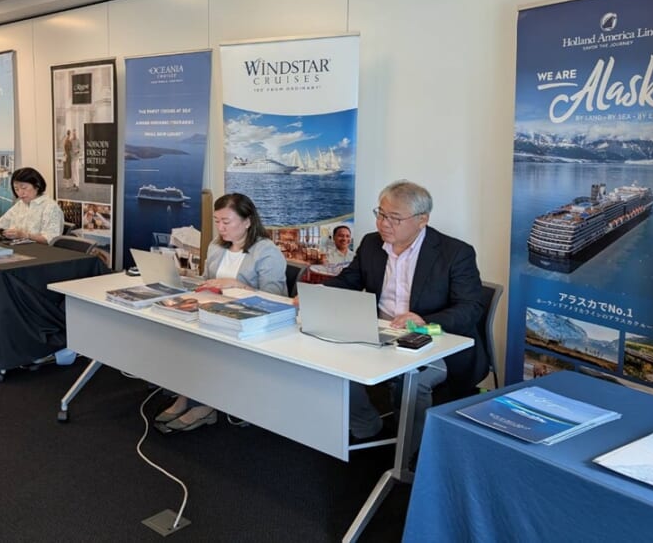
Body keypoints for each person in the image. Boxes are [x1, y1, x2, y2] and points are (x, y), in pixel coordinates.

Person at [323, 180, 485, 451]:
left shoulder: (455, 253)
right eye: (381, 214)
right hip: (380, 333)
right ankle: (366, 425)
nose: (384, 223)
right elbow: (350, 280)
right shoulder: (372, 244)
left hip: (433, 339)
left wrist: (425, 321)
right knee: (330, 360)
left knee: (414, 381)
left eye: (395, 218)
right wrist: (317, 293)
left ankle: (411, 456)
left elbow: (471, 307)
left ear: (422, 219)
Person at [155, 193, 287, 433]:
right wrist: (186, 280)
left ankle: (203, 406)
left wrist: (237, 285)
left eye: (226, 221)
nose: (220, 227)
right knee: (180, 334)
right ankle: (186, 395)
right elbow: (206, 281)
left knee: (202, 343)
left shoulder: (267, 251)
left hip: (249, 323)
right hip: (213, 312)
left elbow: (274, 299)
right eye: (217, 221)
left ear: (247, 221)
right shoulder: (216, 246)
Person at [0, 167, 63, 244]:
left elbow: (50, 239)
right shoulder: (21, 204)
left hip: (39, 252)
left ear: (37, 186)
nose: (20, 193)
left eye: (24, 188)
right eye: (16, 189)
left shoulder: (50, 207)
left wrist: (25, 235)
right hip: (17, 246)